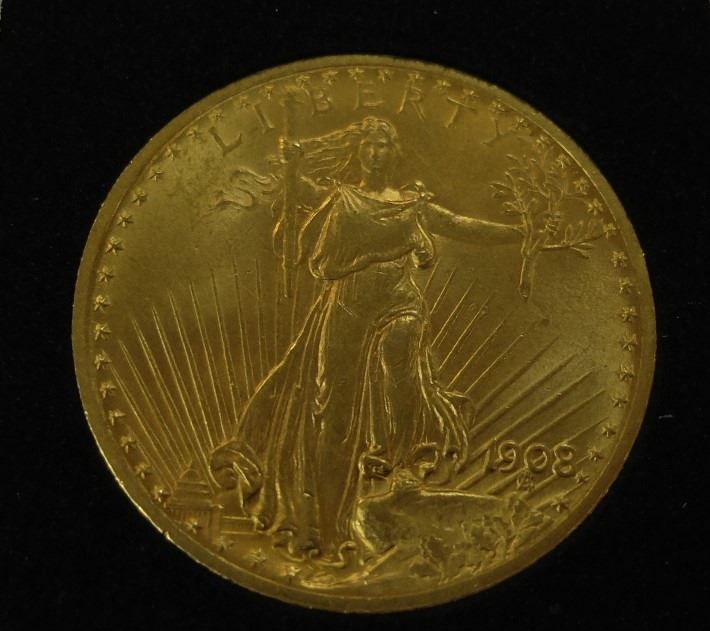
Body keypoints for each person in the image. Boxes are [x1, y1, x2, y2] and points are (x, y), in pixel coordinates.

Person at [210, 116, 523, 559]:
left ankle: (394, 456)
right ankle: (327, 527)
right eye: (370, 145)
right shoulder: (343, 198)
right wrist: (292, 169)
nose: (376, 153)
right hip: (347, 308)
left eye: (384, 145)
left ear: (396, 153)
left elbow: (461, 225)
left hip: (399, 302)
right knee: (332, 413)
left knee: (401, 351)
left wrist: (521, 233)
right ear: (359, 152)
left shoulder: (412, 204)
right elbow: (303, 199)